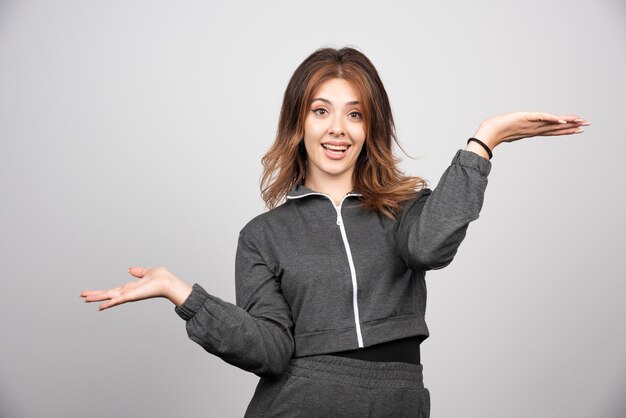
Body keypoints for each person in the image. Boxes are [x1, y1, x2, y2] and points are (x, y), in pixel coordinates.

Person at [80, 47, 590, 417]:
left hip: (399, 397)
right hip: (304, 401)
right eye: (321, 111)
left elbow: (429, 247)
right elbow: (272, 351)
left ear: (371, 127)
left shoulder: (407, 209)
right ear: (299, 123)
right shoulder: (263, 235)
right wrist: (183, 294)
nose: (337, 129)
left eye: (355, 114)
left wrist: (486, 139)